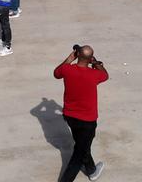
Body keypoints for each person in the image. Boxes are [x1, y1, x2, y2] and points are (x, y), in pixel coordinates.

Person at [54, 46, 108, 182]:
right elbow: (105, 75)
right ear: (90, 59)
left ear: (77, 55)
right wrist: (96, 63)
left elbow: (56, 73)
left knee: (82, 145)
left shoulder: (67, 70)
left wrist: (69, 59)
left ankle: (91, 170)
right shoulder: (94, 74)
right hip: (87, 121)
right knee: (77, 156)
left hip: (70, 117)